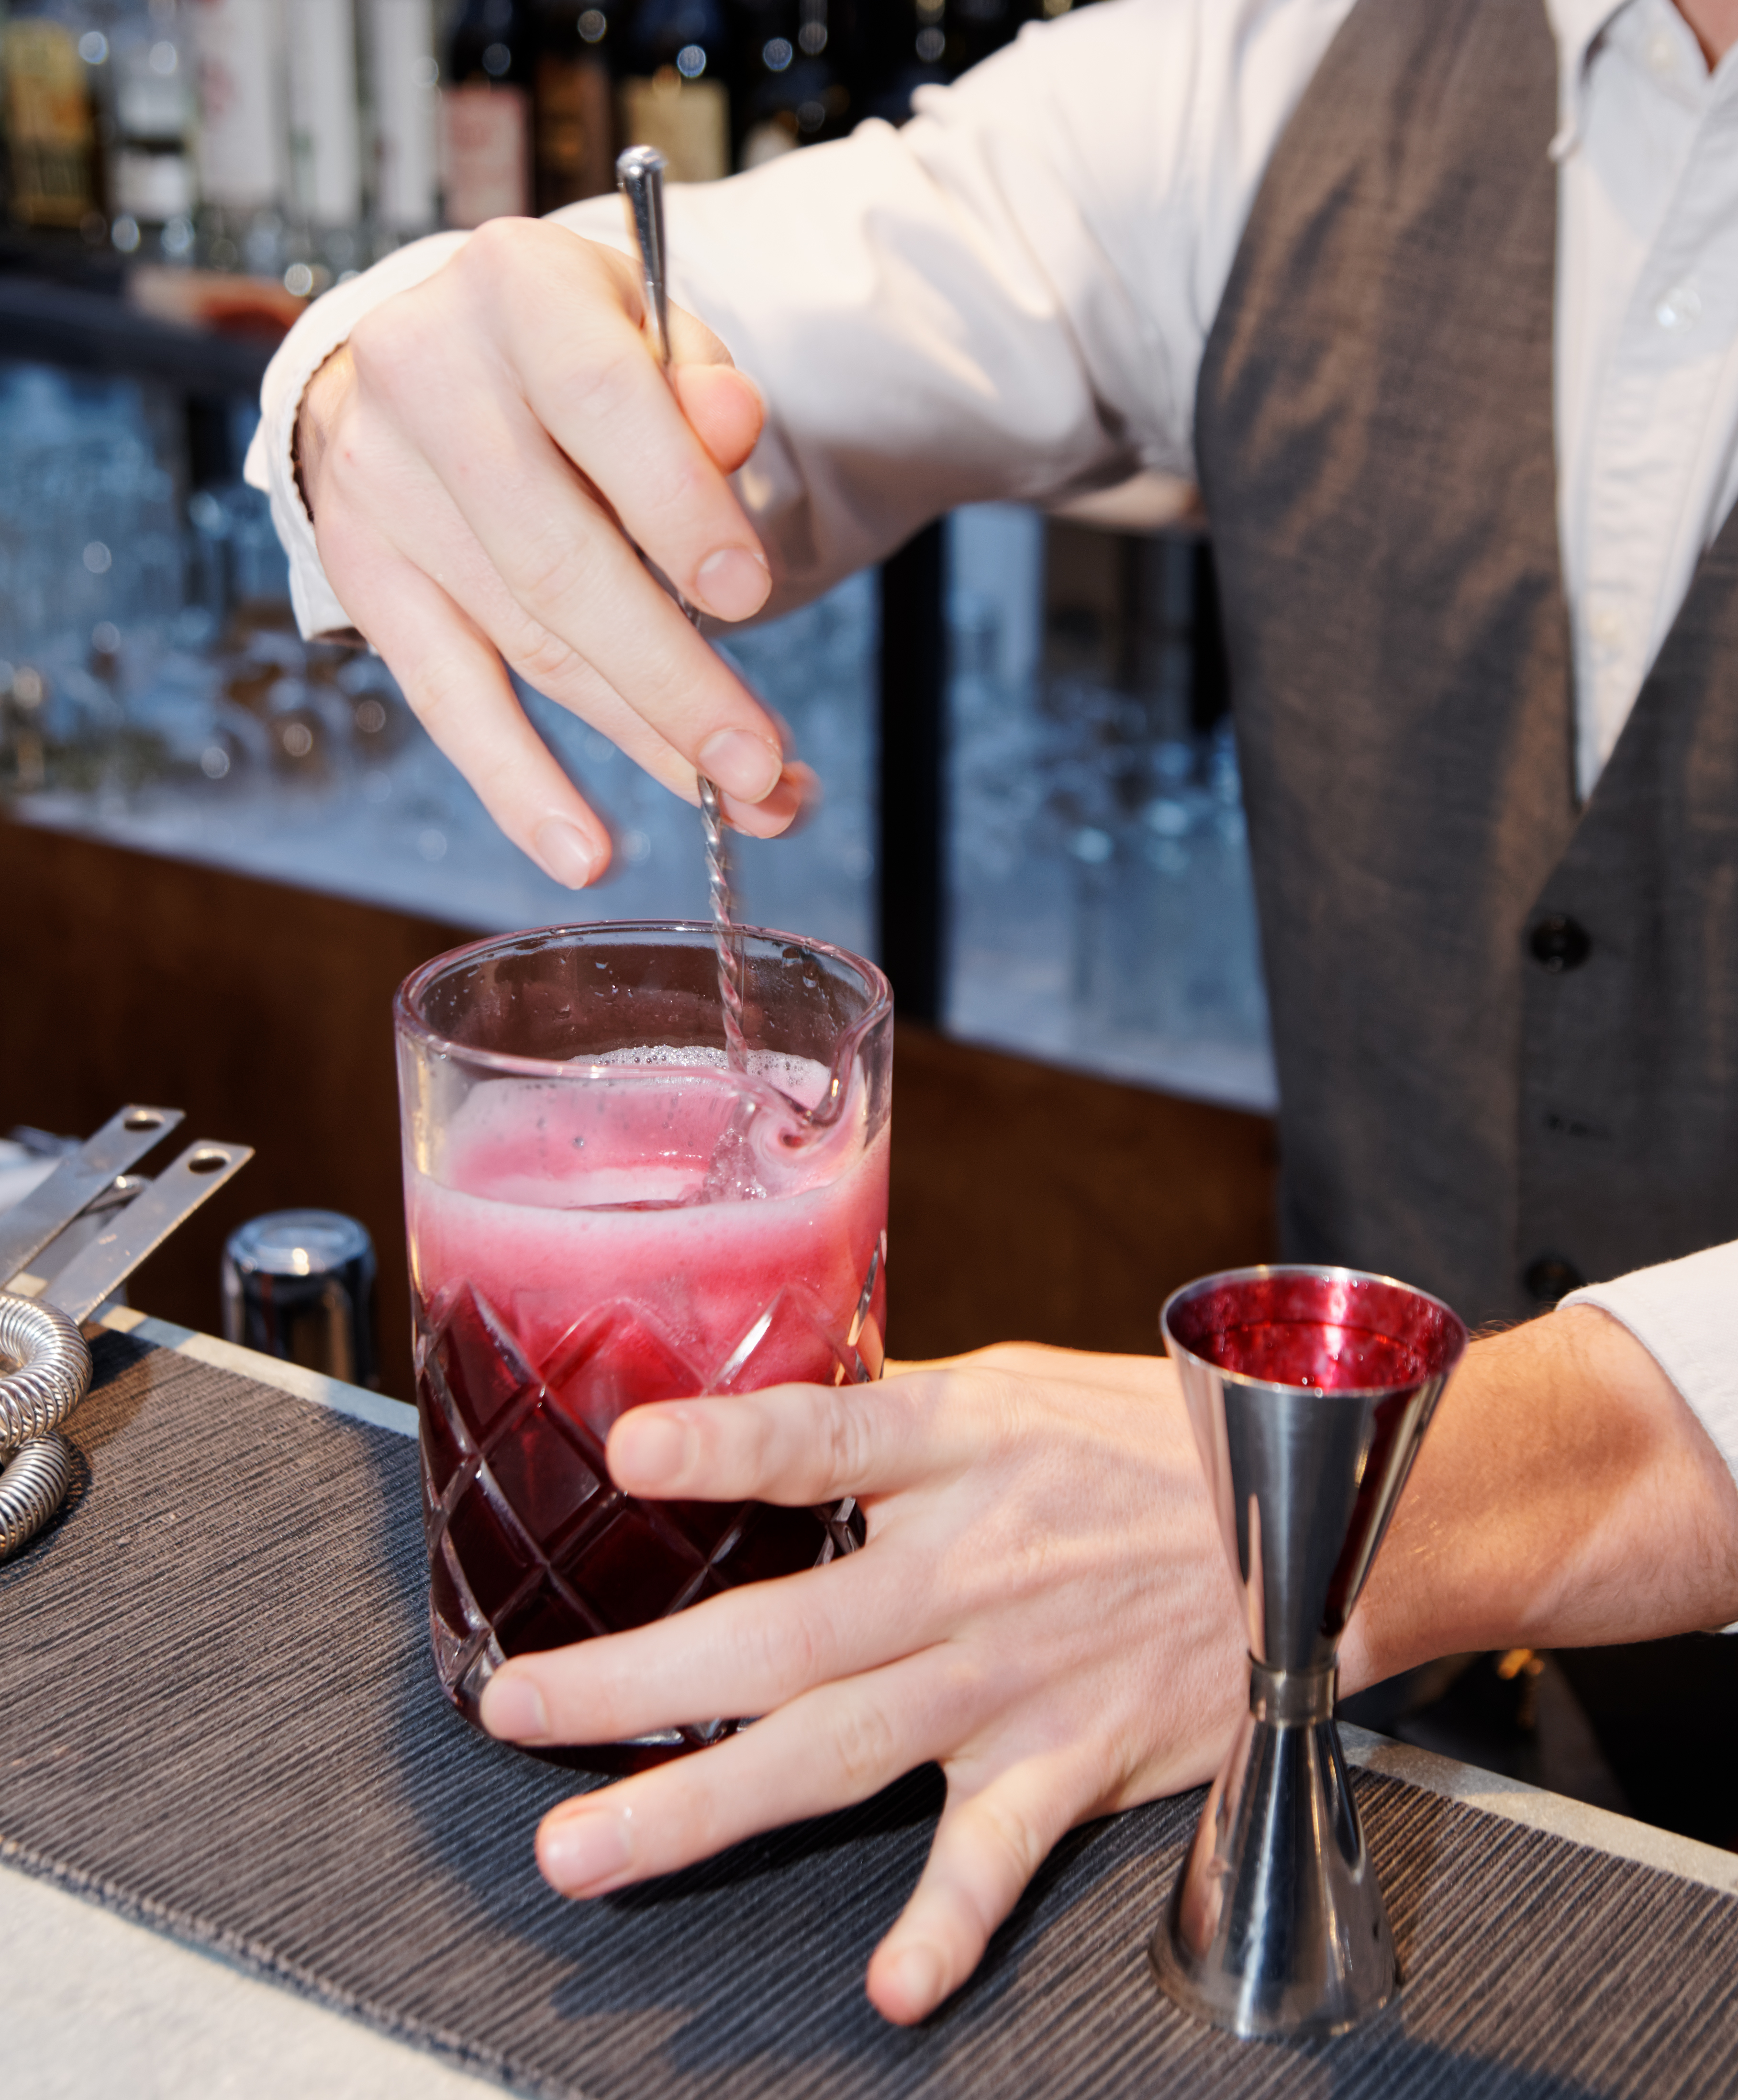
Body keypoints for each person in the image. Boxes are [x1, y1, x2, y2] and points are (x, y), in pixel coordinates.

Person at [251, 0, 1738, 2024]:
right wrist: (402, 363)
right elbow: (756, 326)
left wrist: (1450, 1496)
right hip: (1354, 1785)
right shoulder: (1277, 65)